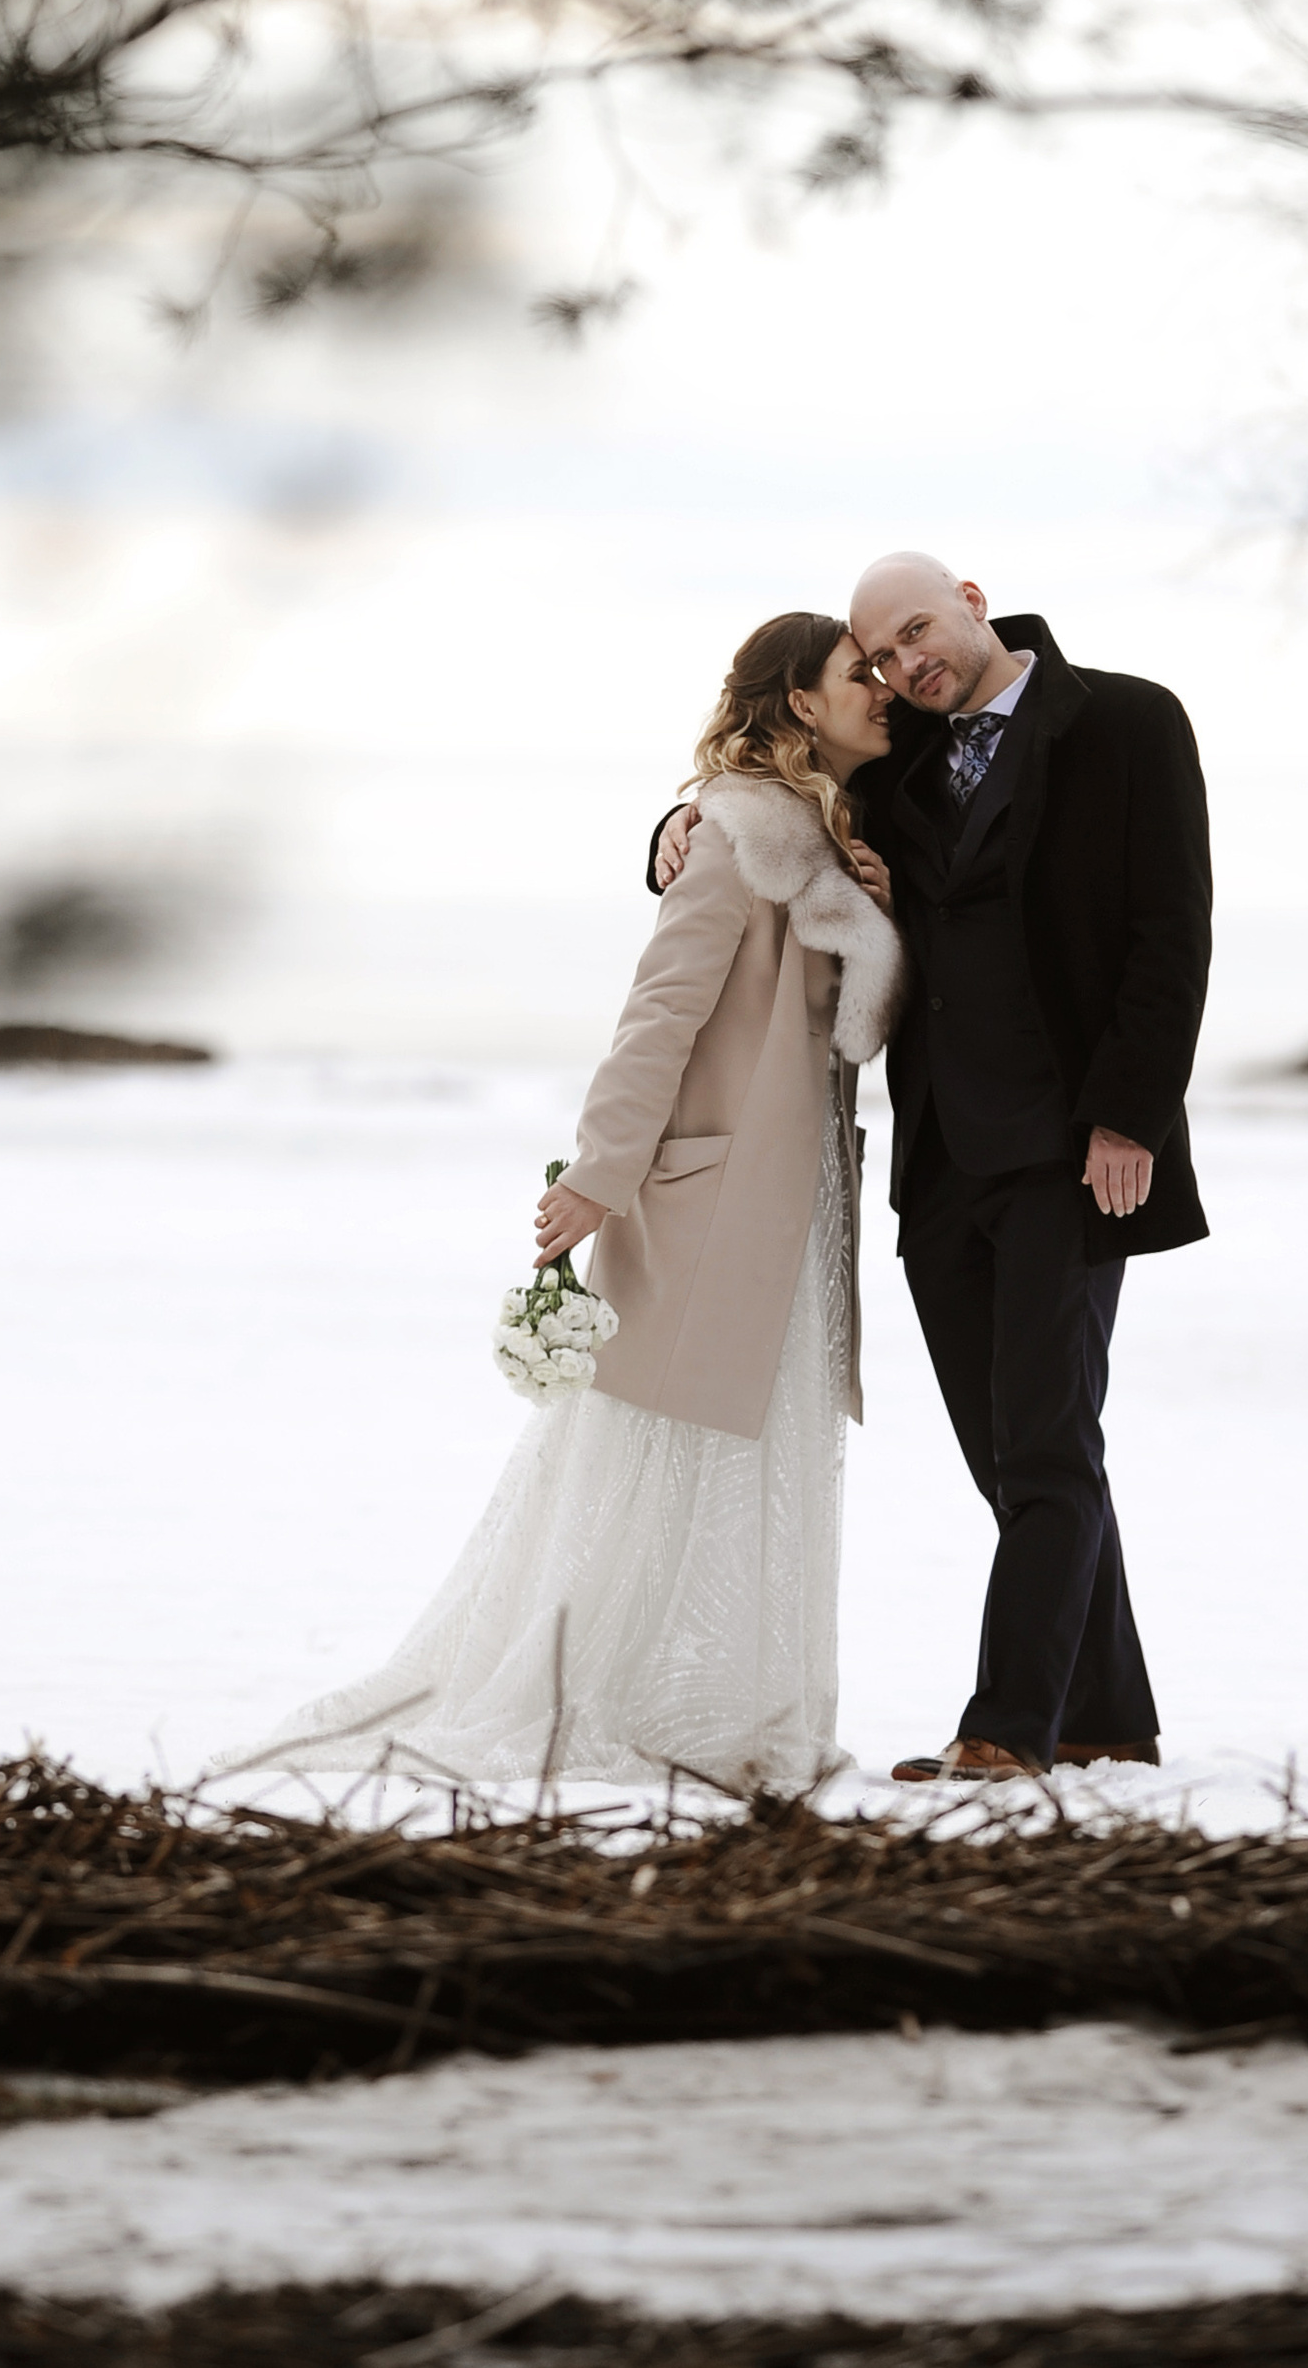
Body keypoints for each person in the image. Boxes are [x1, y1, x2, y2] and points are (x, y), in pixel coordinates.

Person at [212, 612, 906, 1795]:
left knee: (762, 1446)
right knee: (665, 1454)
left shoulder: (834, 832)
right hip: (721, 1194)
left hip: (801, 1198)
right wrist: (599, 1171)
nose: (885, 687)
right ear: (799, 702)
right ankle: (644, 1702)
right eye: (859, 673)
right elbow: (660, 1010)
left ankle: (736, 1705)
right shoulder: (740, 838)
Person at [654, 554, 1210, 1780]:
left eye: (916, 632)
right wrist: (680, 819)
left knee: (1049, 1445)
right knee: (1002, 1452)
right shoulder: (906, 750)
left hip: (1075, 1155)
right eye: (886, 656)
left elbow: (1170, 931)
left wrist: (1129, 1117)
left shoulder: (1127, 719)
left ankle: (1010, 1728)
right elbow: (782, 799)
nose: (908, 666)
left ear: (969, 595)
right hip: (943, 1159)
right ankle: (1109, 1711)